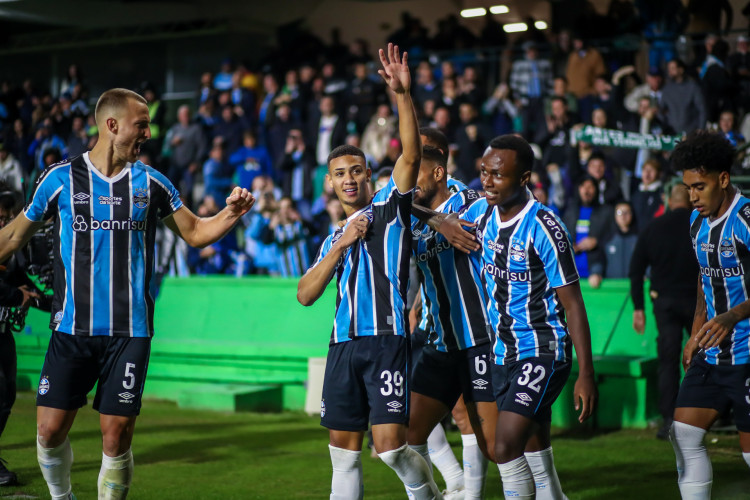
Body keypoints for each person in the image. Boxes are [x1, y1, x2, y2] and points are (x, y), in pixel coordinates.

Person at [0, 88, 254, 500]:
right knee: (48, 433)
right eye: (142, 124)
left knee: (115, 436)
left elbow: (194, 232)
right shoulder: (60, 179)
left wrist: (231, 213)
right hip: (71, 330)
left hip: (130, 333)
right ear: (112, 125)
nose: (149, 133)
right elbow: (12, 236)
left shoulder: (152, 183)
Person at [296, 44, 442, 499]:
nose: (349, 179)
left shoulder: (389, 206)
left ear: (368, 174)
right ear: (330, 182)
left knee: (391, 448)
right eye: (340, 173)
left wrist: (402, 95)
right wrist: (341, 244)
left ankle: (433, 495)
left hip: (384, 340)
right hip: (342, 346)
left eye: (356, 170)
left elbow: (412, 157)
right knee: (342, 452)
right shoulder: (331, 236)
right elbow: (305, 294)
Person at [444, 135, 597, 500]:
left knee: (505, 447)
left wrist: (586, 374)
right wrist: (443, 223)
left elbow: (574, 304)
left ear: (524, 177)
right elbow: (441, 217)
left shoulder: (545, 226)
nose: (488, 182)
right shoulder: (481, 213)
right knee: (533, 450)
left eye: (498, 175)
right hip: (502, 353)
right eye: (484, 172)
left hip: (542, 349)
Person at [408, 145, 497, 499]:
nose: (407, 184)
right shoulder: (414, 217)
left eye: (415, 173)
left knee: (495, 445)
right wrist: (434, 220)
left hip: (480, 341)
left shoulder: (473, 204)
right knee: (404, 438)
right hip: (441, 344)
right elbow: (385, 206)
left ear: (438, 173)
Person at [670, 130, 750, 498]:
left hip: (748, 354)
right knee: (684, 435)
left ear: (723, 179)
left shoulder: (746, 219)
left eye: (699, 186)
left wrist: (732, 316)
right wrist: (696, 330)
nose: (692, 196)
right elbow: (706, 279)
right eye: (687, 187)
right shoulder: (696, 224)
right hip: (713, 352)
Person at [630, 184, 698, 440]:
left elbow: (636, 270)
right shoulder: (699, 227)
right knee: (699, 359)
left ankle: (669, 418)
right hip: (696, 303)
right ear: (689, 201)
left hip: (665, 303)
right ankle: (700, 414)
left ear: (668, 201)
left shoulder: (653, 227)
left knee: (668, 361)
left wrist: (639, 307)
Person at [0, 184, 48, 486]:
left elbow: (29, 288)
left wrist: (65, 304)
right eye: (0, 217)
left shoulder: (12, 254)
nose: (4, 224)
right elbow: (17, 293)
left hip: (4, 334)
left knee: (6, 396)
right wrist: (16, 297)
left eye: (8, 218)